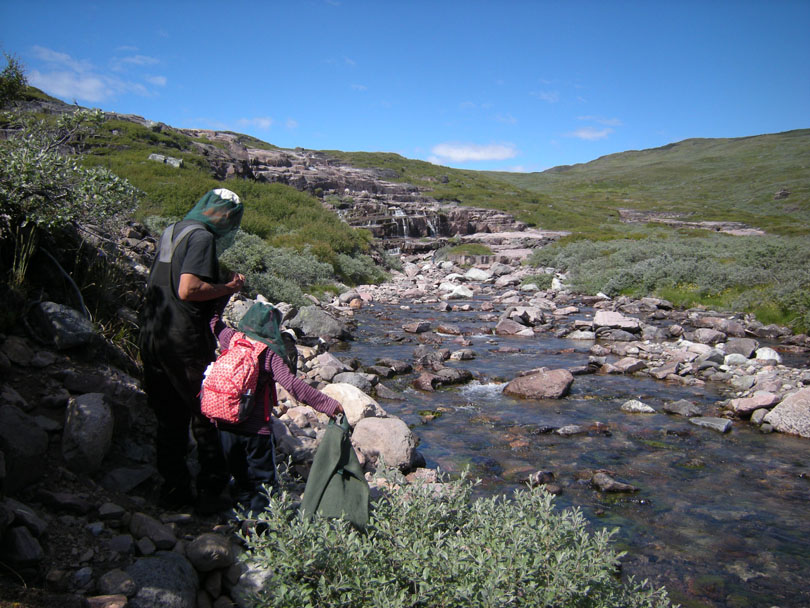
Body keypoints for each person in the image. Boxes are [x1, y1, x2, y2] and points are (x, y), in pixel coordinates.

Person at [138, 188, 245, 512]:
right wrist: (229, 287)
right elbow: (189, 288)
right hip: (182, 339)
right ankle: (212, 492)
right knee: (207, 413)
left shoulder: (173, 230)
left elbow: (169, 279)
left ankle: (174, 492)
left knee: (169, 415)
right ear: (223, 214)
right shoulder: (202, 238)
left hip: (152, 333)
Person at [210, 301, 344, 515]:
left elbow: (213, 321)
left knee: (239, 473)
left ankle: (240, 520)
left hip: (223, 421)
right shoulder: (268, 354)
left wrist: (225, 289)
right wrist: (328, 404)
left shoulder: (231, 339)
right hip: (255, 430)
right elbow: (292, 385)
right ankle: (260, 526)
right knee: (264, 480)